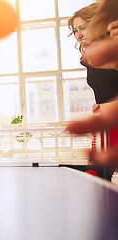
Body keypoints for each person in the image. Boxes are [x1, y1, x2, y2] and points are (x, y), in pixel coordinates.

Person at [67, 1, 118, 170]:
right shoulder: (89, 58)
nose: (78, 34)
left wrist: (110, 105)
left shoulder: (112, 49)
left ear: (98, 24)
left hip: (112, 121)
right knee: (96, 171)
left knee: (98, 170)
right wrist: (102, 104)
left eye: (83, 28)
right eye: (75, 30)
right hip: (106, 121)